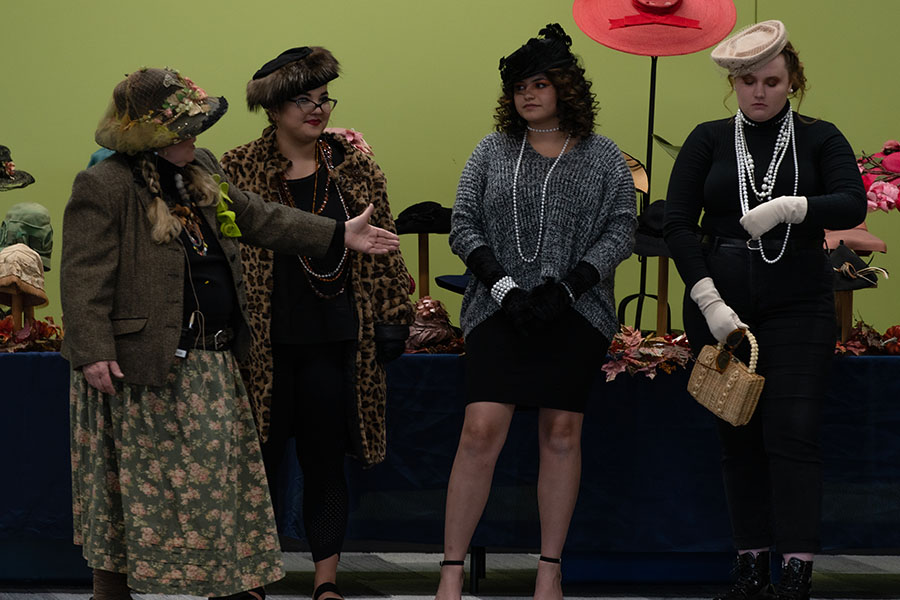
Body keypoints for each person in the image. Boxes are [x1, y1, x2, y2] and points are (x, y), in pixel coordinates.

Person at [60, 66, 400, 600]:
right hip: (140, 369)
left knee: (223, 497)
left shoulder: (201, 169)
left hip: (211, 364)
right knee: (129, 500)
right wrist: (93, 352)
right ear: (151, 134)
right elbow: (82, 276)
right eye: (183, 130)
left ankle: (229, 591)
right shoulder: (103, 184)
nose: (195, 138)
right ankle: (113, 592)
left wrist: (337, 234)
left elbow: (259, 216)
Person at [663, 20, 866, 600]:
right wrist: (708, 300)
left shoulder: (819, 136)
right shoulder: (707, 138)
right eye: (748, 80)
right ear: (734, 83)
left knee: (794, 430)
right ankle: (750, 567)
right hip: (719, 299)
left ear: (791, 81)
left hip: (799, 301)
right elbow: (676, 222)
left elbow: (851, 201)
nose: (759, 92)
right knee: (738, 431)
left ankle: (796, 571)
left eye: (772, 81)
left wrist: (791, 207)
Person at [436, 24, 636, 600]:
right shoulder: (490, 150)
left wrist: (568, 288)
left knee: (562, 431)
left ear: (566, 89)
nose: (528, 95)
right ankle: (450, 569)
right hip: (499, 309)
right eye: (519, 86)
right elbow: (463, 224)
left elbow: (622, 227)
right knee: (480, 430)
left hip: (575, 311)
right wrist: (502, 288)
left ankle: (550, 567)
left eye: (540, 84)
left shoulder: (602, 156)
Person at [220, 47, 414, 600]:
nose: (317, 109)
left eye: (323, 98)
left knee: (325, 462)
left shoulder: (353, 164)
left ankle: (326, 583)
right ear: (274, 108)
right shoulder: (238, 167)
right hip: (262, 343)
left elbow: (386, 246)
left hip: (337, 340)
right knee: (259, 462)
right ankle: (253, 579)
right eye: (302, 100)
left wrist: (394, 315)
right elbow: (222, 251)